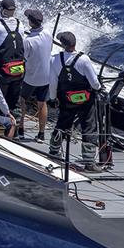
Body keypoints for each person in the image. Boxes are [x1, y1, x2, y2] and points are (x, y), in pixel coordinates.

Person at [47, 31, 104, 172]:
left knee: (61, 124)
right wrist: (99, 88)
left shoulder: (54, 60)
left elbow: (53, 83)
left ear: (63, 44)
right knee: (89, 128)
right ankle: (89, 162)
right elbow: (95, 84)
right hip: (85, 101)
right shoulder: (83, 59)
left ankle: (53, 153)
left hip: (66, 100)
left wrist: (53, 99)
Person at [18, 9, 52, 142]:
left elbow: (23, 58)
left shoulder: (28, 40)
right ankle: (41, 134)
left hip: (31, 78)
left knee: (22, 100)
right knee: (42, 103)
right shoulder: (48, 33)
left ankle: (20, 129)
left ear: (31, 23)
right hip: (46, 76)